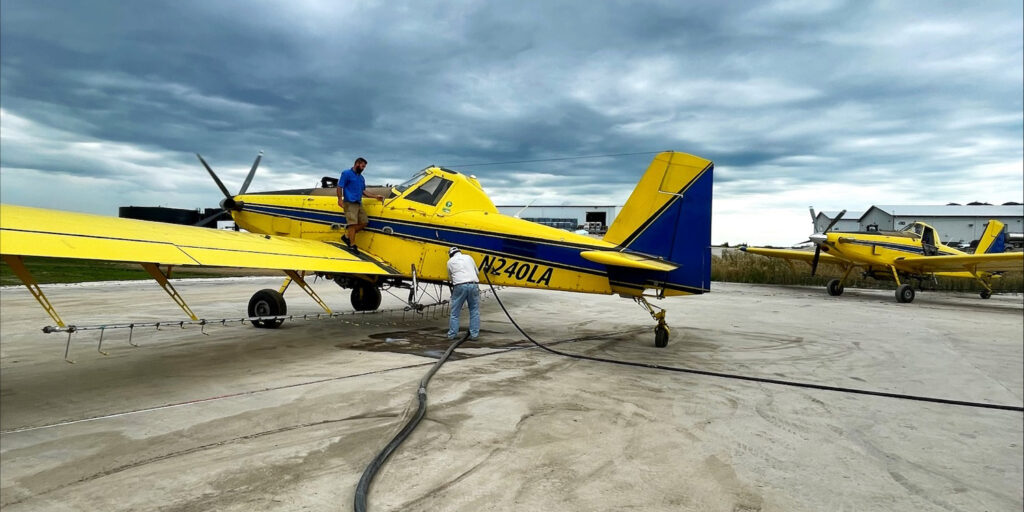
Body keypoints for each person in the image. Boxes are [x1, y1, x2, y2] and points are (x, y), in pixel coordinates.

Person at [337, 157, 384, 250]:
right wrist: (339, 199)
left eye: (364, 167)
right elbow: (339, 186)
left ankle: (347, 237)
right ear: (357, 163)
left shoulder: (361, 178)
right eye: (362, 166)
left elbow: (364, 191)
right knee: (352, 224)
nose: (363, 169)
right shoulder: (346, 173)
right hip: (349, 202)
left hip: (358, 203)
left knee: (364, 222)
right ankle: (352, 245)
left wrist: (375, 196)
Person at [446, 246, 480, 340]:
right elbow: (477, 272)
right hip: (473, 284)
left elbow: (450, 277)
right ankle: (474, 335)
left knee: (455, 312)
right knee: (474, 311)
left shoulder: (450, 262)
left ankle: (452, 334)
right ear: (459, 252)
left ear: (450, 254)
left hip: (459, 286)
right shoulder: (469, 257)